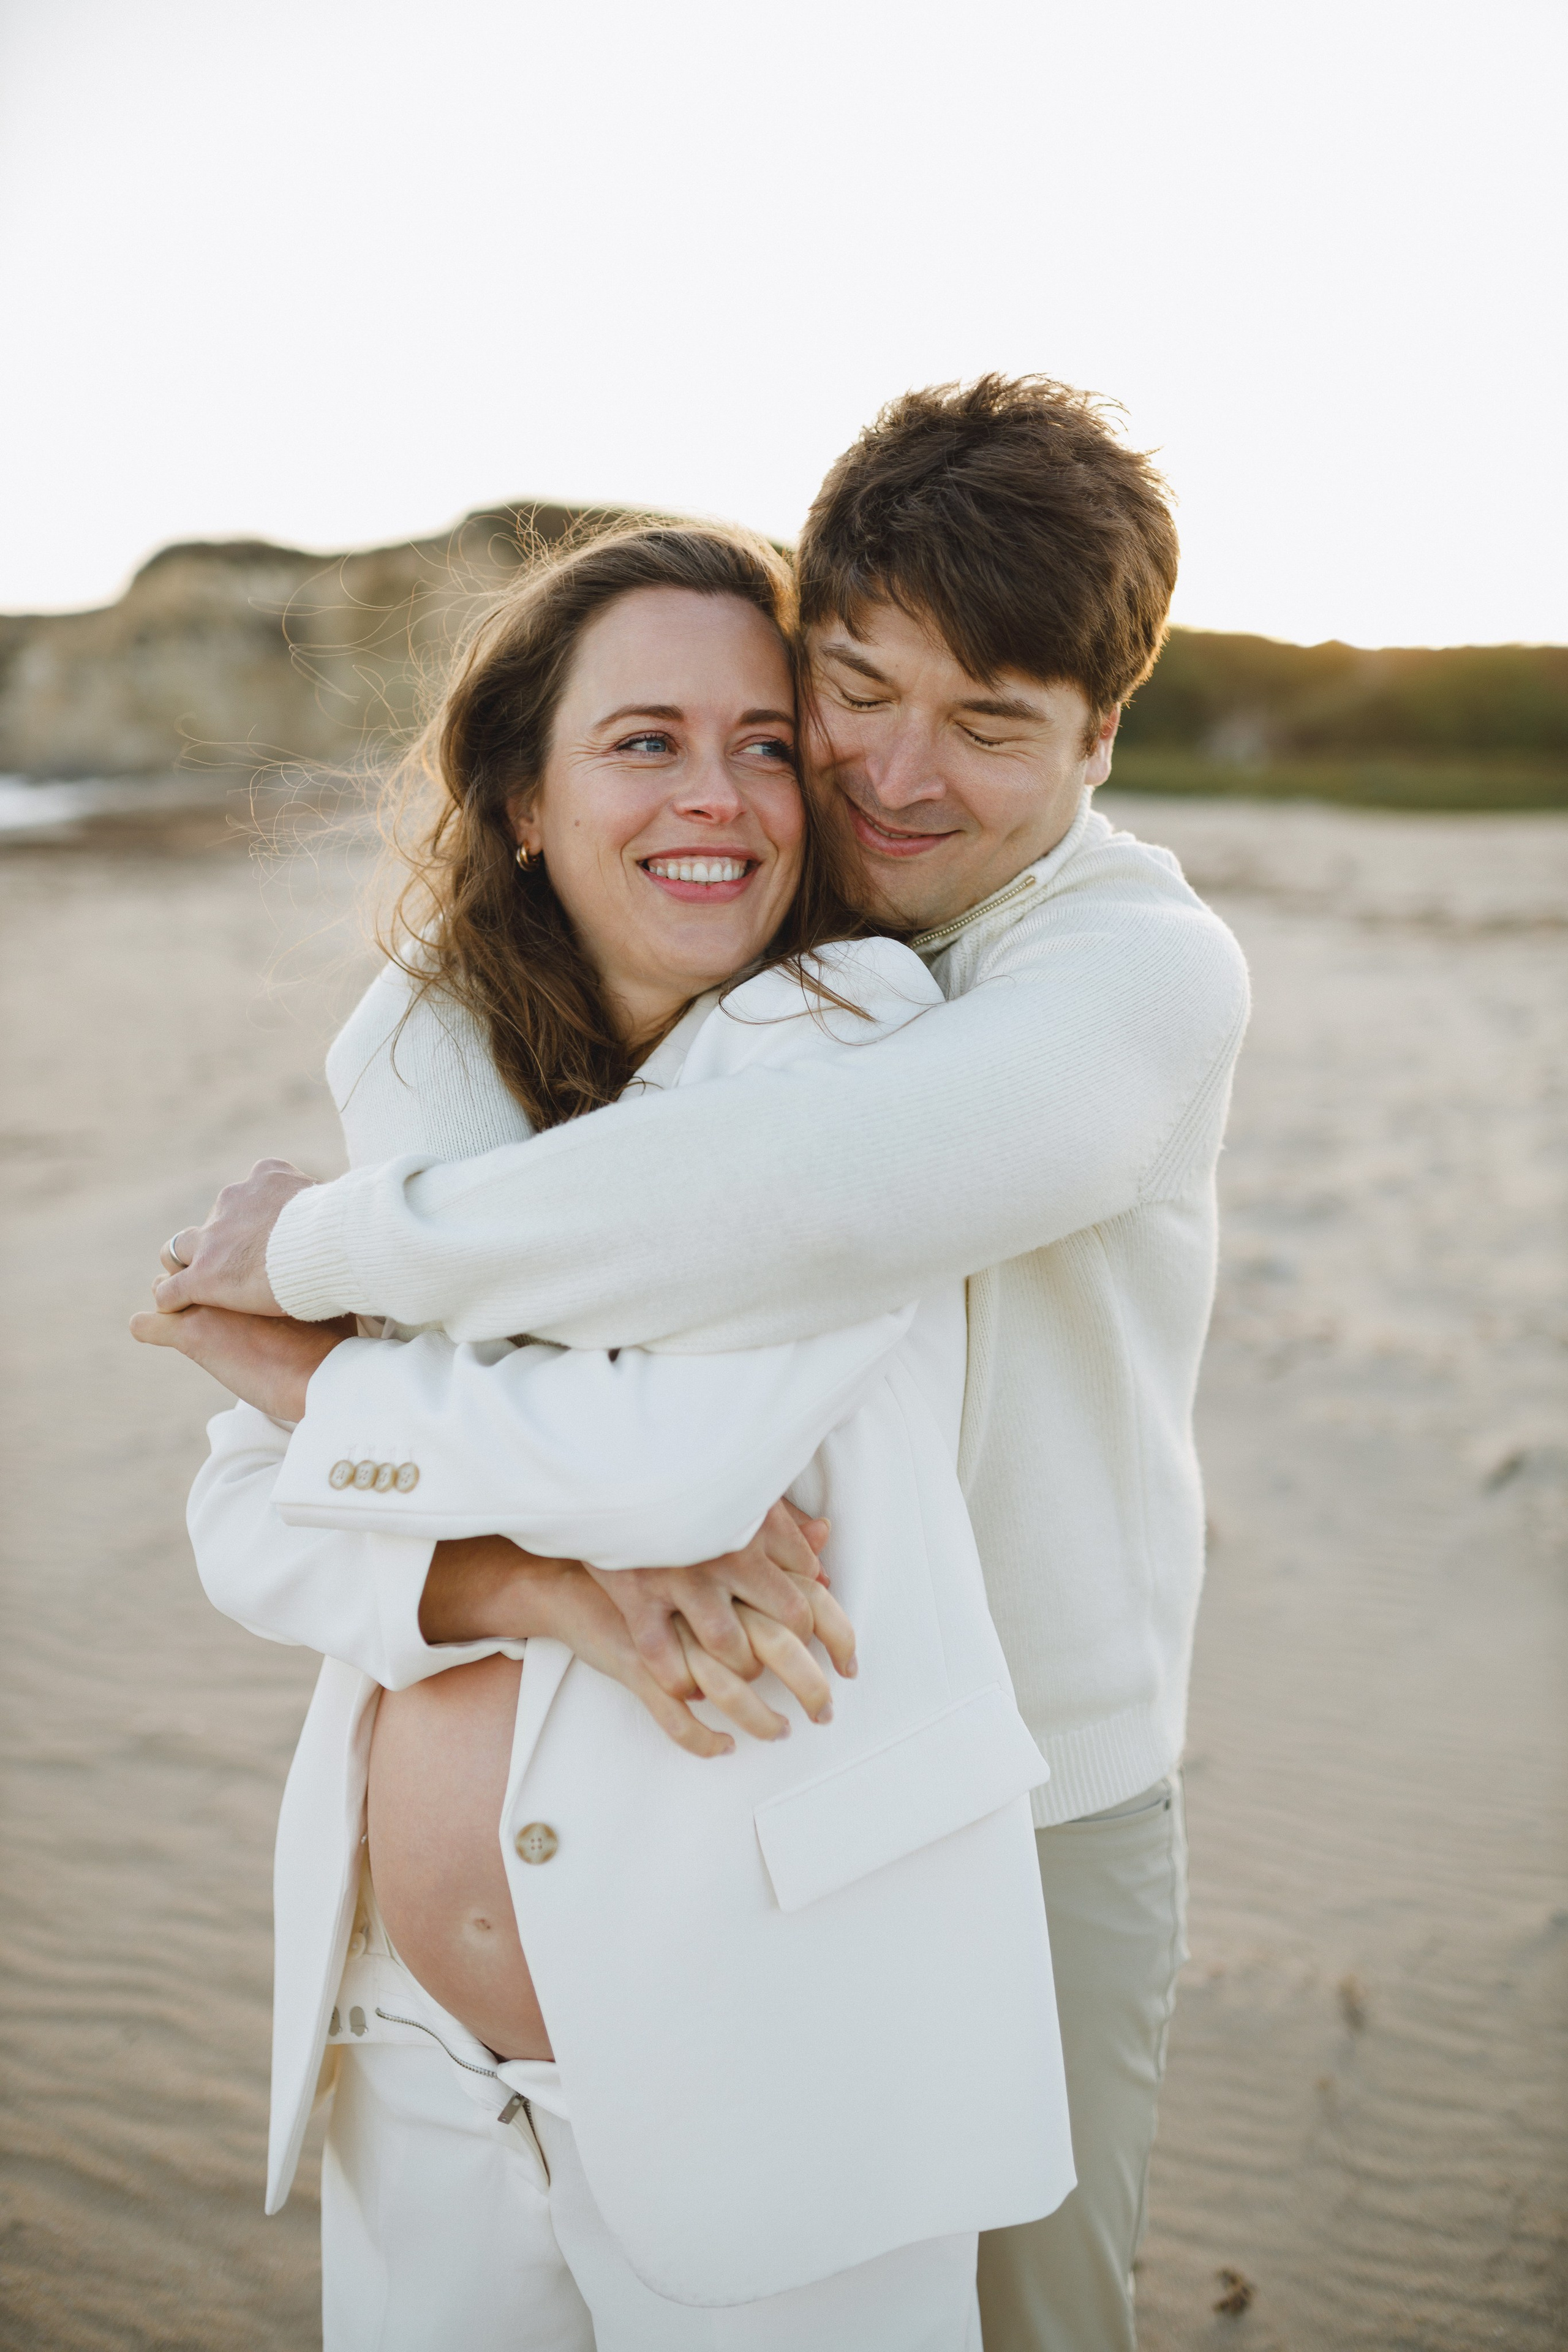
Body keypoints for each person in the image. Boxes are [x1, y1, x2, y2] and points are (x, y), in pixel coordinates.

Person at [154, 375, 1252, 2351]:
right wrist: (523, 1567)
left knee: (1037, 2320)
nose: (896, 779)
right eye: (853, 695)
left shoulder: (1101, 977)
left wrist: (307, 1281)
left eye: (992, 728)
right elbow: (299, 1495)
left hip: (1040, 1774)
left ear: (1102, 737)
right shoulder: (629, 955)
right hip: (728, 1779)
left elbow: (788, 1211)